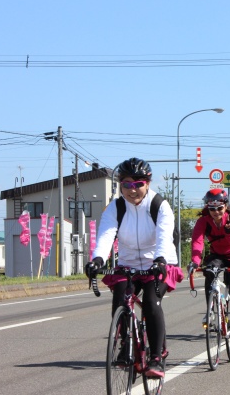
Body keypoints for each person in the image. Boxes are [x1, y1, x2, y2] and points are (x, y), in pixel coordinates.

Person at [86, 157, 179, 378]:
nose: (132, 190)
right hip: (127, 263)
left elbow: (164, 237)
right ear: (120, 185)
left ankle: (156, 358)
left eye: (138, 184)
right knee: (120, 298)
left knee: (150, 302)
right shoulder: (116, 207)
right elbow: (106, 234)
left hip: (158, 261)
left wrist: (160, 261)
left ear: (148, 183)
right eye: (126, 184)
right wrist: (97, 259)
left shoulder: (159, 206)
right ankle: (125, 345)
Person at [188, 188, 230, 349]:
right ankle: (212, 309)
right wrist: (194, 261)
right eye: (212, 208)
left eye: (219, 208)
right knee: (209, 271)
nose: (216, 212)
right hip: (218, 255)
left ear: (225, 206)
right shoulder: (203, 221)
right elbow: (197, 242)